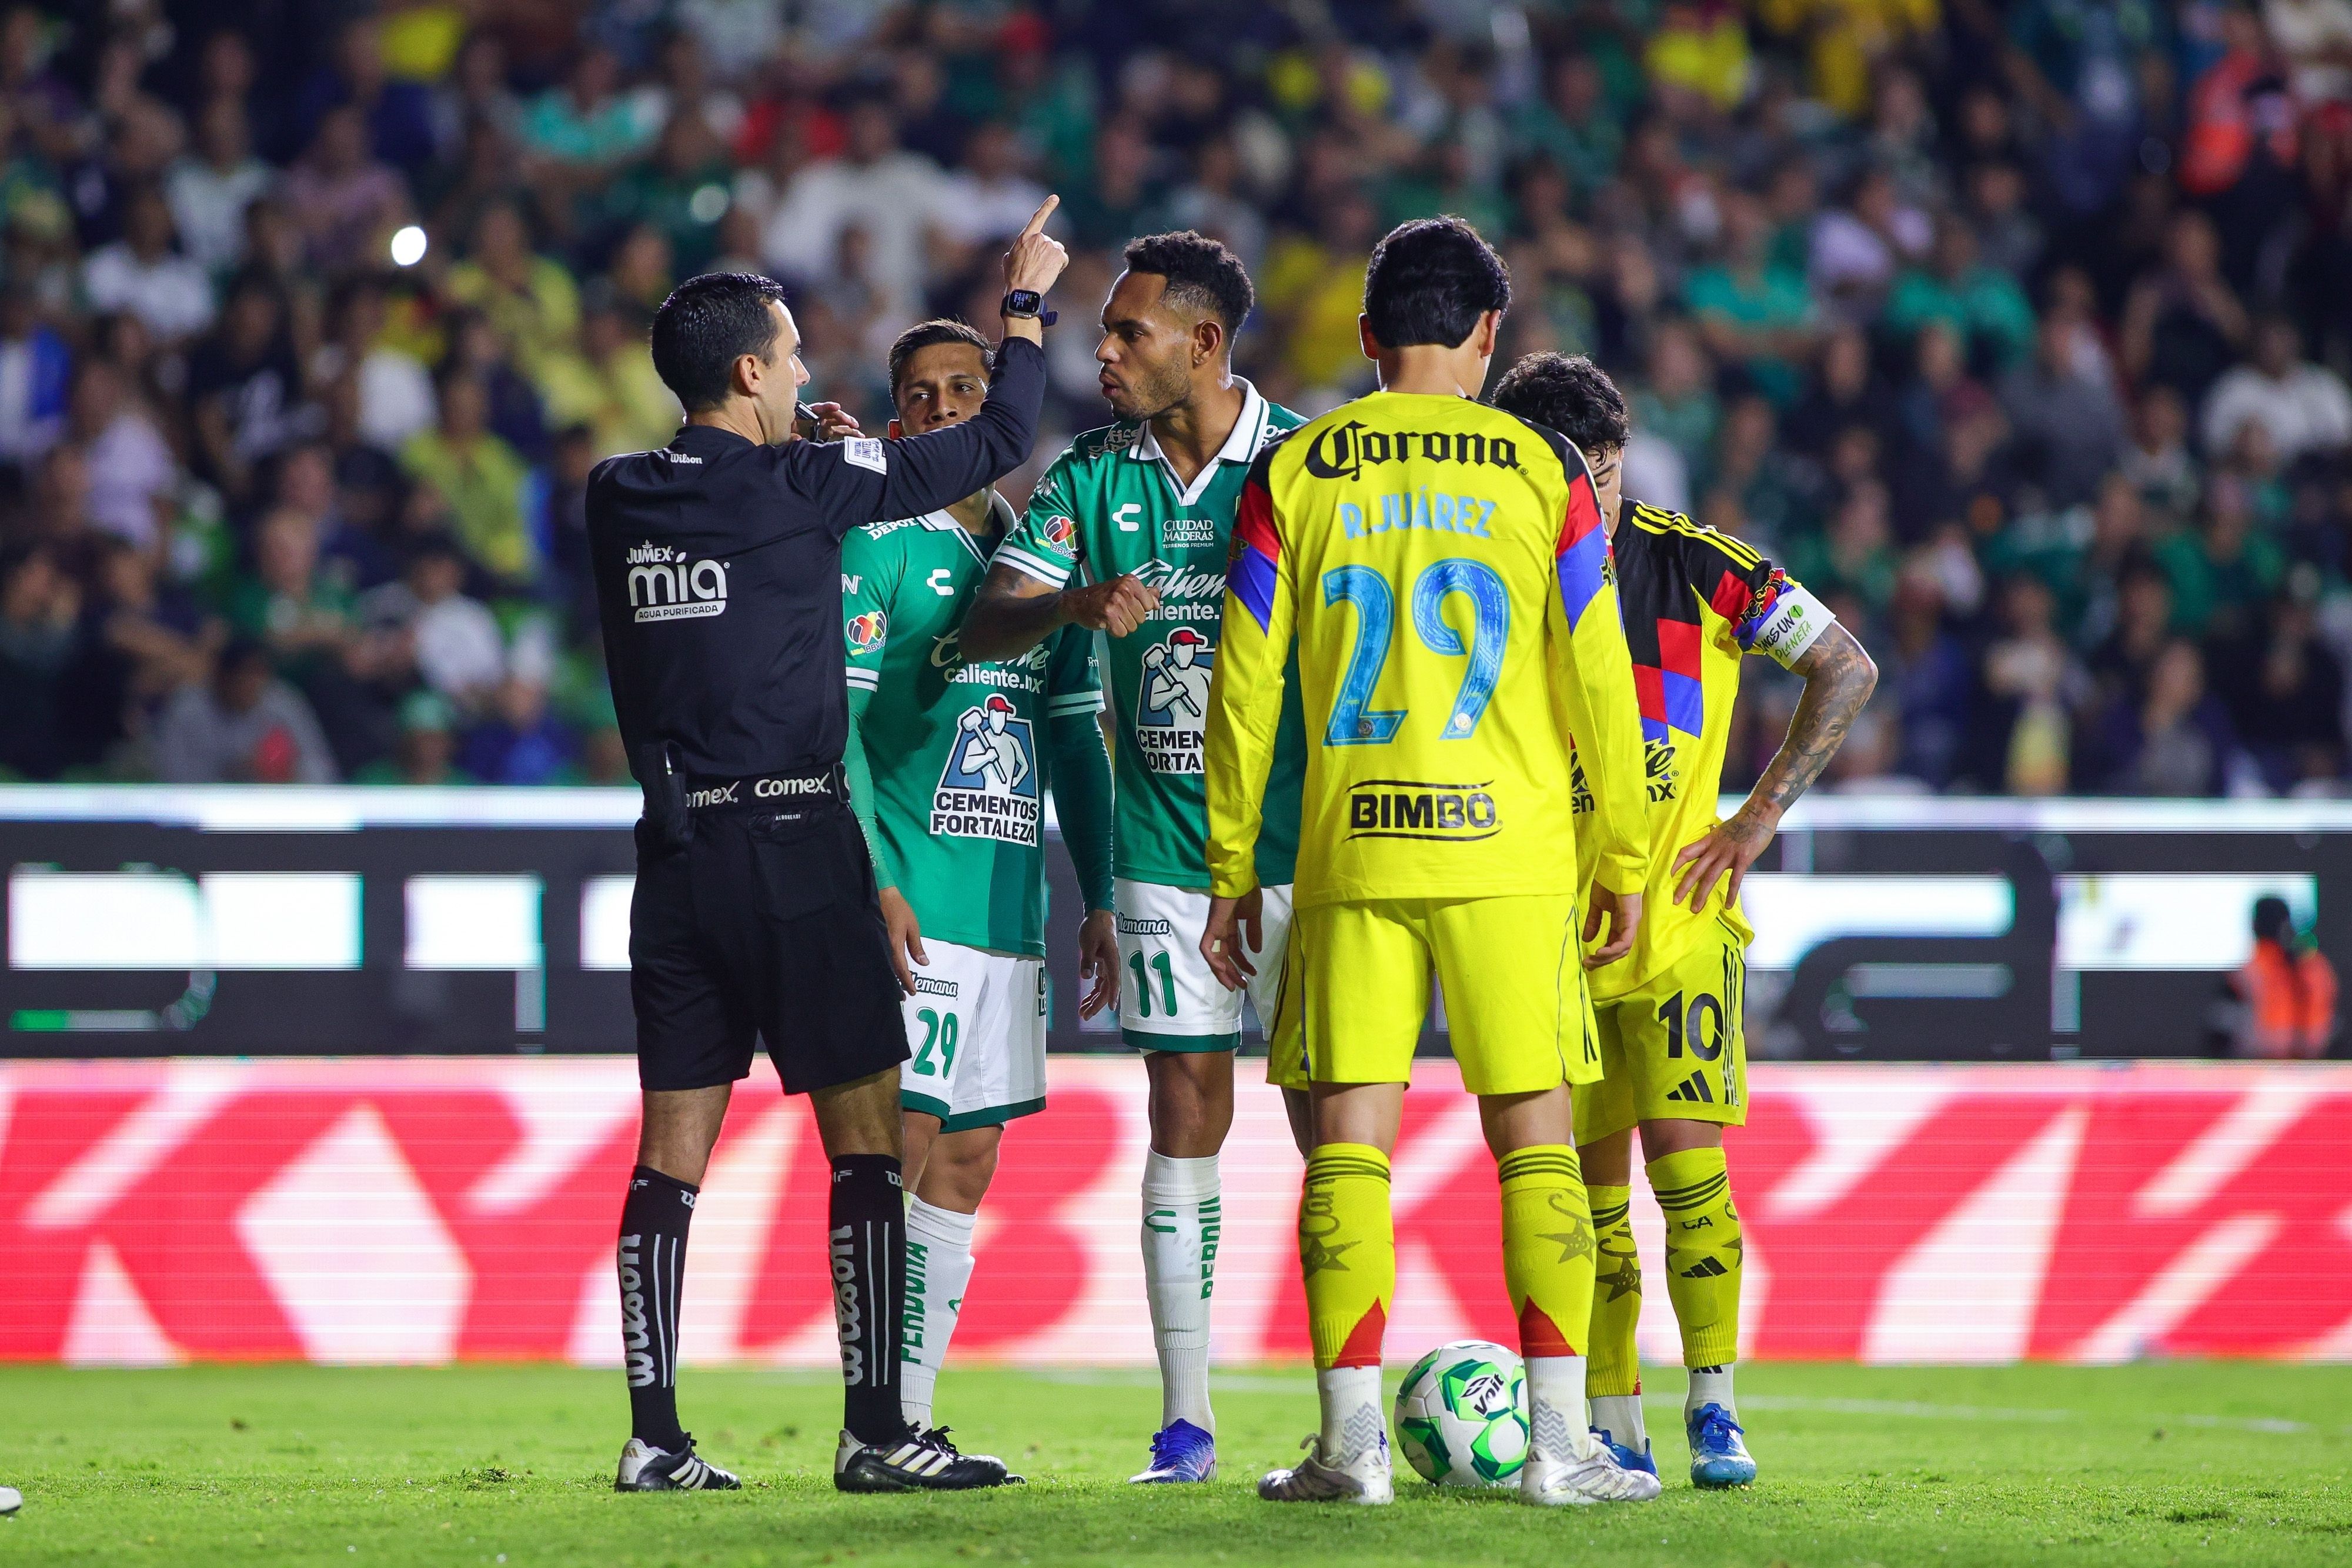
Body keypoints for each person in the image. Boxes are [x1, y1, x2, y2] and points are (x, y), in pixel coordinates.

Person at [584, 199, 1066, 1496]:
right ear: (748, 370)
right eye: (791, 357)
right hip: (797, 840)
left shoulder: (615, 495)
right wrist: (1022, 304)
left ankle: (654, 1437)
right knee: (863, 1141)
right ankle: (878, 1430)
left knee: (668, 1151)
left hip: (674, 856)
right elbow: (1005, 435)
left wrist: (819, 468)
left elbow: (733, 548)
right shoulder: (807, 485)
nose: (806, 376)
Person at [1200, 217, 1658, 1507]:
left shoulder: (1295, 469)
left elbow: (1243, 683)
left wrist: (1234, 857)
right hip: (1509, 850)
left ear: (1363, 339)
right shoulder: (1542, 470)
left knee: (1347, 1145)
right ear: (1487, 336)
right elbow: (1596, 678)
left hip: (1352, 851)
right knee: (1535, 1145)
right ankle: (1561, 1450)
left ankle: (1349, 1448)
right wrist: (1619, 849)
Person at [1489, 351, 1879, 1490]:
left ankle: (1713, 1402)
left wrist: (1751, 823)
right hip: (1541, 928)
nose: (1591, 497)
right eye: (1569, 474)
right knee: (1587, 1194)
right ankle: (1613, 1423)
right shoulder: (1483, 579)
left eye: (1604, 470)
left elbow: (1844, 666)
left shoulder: (1697, 566)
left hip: (1674, 922)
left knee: (1688, 1171)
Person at [960, 231, 1309, 1486]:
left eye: (1126, 335)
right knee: (1183, 1109)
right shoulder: (1088, 477)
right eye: (1098, 333)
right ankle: (1186, 1420)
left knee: (1334, 1122)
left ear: (1203, 344)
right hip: (1161, 847)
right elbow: (982, 612)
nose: (1099, 356)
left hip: (1300, 853)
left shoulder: (1310, 465)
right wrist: (1067, 607)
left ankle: (1347, 1420)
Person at [840, 318, 1120, 1432]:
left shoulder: (1043, 558)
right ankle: (876, 1421)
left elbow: (1074, 743)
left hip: (1007, 911)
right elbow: (837, 730)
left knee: (966, 1157)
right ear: (899, 417)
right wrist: (875, 878)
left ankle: (911, 1413)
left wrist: (1097, 895)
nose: (950, 407)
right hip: (915, 897)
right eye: (925, 393)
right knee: (899, 1147)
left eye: (970, 387)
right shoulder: (879, 546)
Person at [2211, 895, 2338, 1058]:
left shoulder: (2250, 969)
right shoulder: (2319, 966)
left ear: (2254, 924)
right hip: (2314, 1061)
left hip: (2262, 1059)